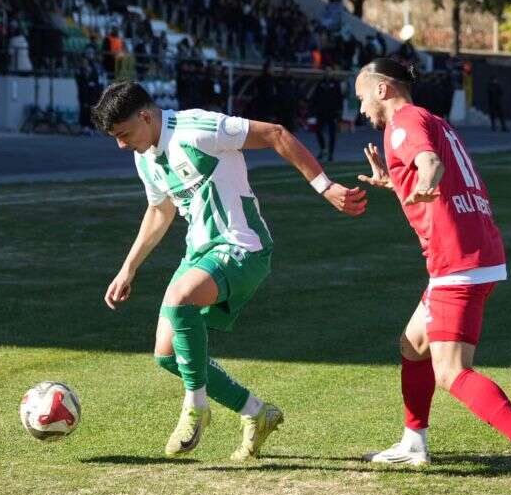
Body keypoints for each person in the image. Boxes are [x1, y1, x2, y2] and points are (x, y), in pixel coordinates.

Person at [95, 81, 365, 460]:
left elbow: (275, 134)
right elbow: (159, 211)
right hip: (199, 252)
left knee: (180, 299)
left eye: (124, 134)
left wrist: (325, 186)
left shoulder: (198, 128)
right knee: (167, 354)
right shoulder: (145, 158)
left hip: (242, 245)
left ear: (145, 116)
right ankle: (257, 412)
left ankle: (196, 407)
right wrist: (128, 268)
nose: (122, 145)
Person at [353, 58, 511, 495]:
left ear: (382, 90)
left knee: (451, 372)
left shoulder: (402, 123)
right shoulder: (432, 119)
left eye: (361, 97)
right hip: (474, 248)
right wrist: (396, 183)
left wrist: (426, 180)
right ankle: (414, 442)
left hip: (457, 258)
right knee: (412, 344)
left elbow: (430, 164)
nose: (360, 109)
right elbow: (430, 169)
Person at [309, 64, 343, 162]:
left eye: (329, 71)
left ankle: (330, 154)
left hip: (332, 112)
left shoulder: (336, 83)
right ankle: (323, 148)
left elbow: (339, 98)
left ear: (332, 72)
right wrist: (313, 109)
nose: (328, 73)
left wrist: (339, 112)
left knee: (332, 134)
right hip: (321, 112)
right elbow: (315, 97)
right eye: (326, 71)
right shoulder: (320, 83)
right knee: (318, 131)